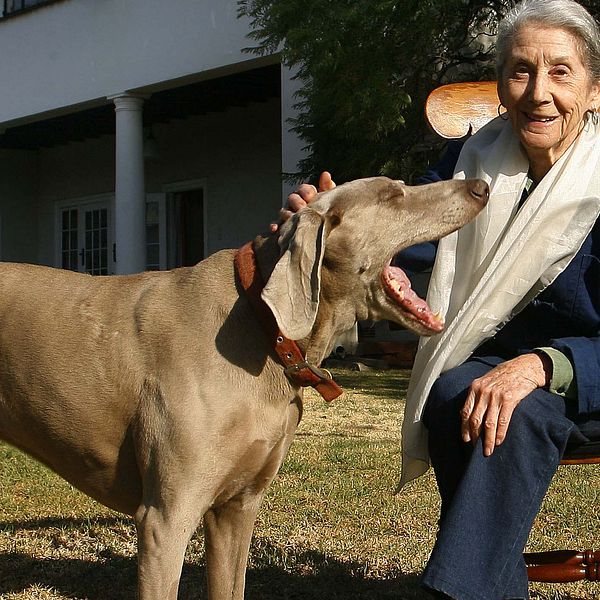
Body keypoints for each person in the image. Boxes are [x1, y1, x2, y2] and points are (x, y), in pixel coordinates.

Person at [283, 1, 600, 598]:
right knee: (456, 391)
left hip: (587, 374)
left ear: (594, 90)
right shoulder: (472, 159)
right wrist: (335, 224)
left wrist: (542, 366)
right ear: (502, 87)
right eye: (521, 71)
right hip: (489, 366)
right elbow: (405, 232)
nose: (539, 93)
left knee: (509, 411)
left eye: (561, 72)